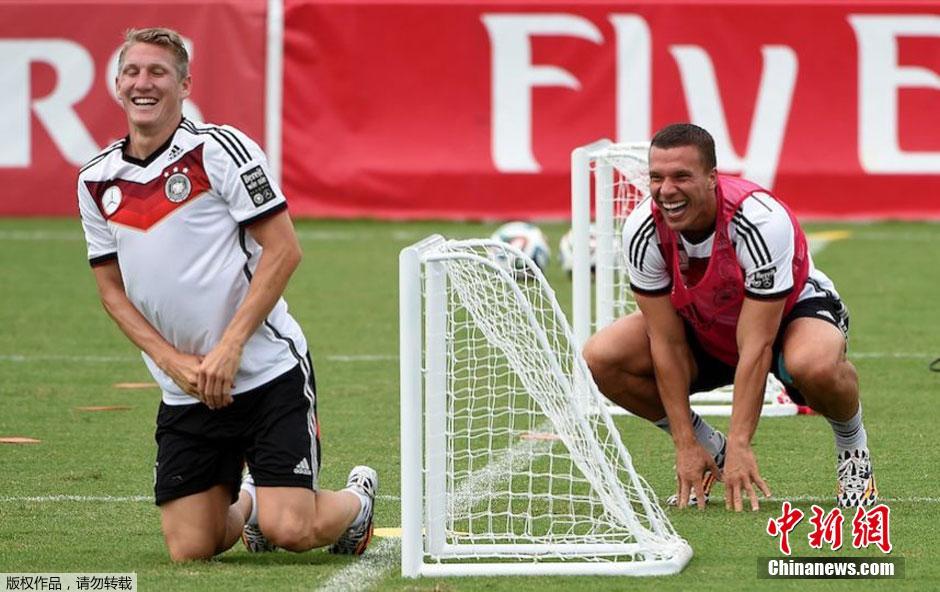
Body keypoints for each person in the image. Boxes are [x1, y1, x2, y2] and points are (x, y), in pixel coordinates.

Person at [77, 27, 377, 560]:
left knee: (294, 531)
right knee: (191, 548)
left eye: (158, 73)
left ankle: (356, 502)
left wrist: (231, 346)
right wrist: (173, 363)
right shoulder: (96, 179)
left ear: (185, 84)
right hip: (186, 387)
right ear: (116, 86)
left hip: (265, 372)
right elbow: (111, 292)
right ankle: (252, 502)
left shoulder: (219, 149)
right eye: (132, 72)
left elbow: (284, 250)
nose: (143, 84)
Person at [583, 123, 876, 511]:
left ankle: (853, 449)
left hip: (788, 316)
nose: (666, 190)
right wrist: (687, 443)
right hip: (704, 322)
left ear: (711, 179)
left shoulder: (759, 221)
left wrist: (741, 443)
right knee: (601, 357)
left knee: (815, 366)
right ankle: (711, 449)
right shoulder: (642, 231)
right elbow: (666, 342)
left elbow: (757, 344)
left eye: (681, 176)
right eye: (657, 177)